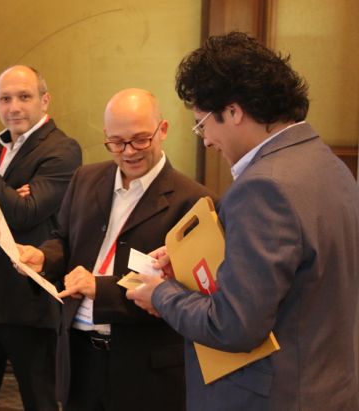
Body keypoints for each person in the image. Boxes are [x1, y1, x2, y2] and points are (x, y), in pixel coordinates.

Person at [126, 31, 359, 410]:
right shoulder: (327, 164)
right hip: (326, 389)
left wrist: (162, 294)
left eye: (202, 123)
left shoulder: (263, 186)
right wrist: (187, 261)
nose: (206, 140)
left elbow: (233, 325)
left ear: (234, 111)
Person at [18, 88, 214, 411]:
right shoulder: (85, 179)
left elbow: (188, 294)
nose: (129, 152)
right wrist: (43, 257)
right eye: (117, 142)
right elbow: (64, 239)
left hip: (145, 369)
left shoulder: (193, 201)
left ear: (162, 130)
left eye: (140, 140)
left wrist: (101, 289)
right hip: (80, 356)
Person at [0, 65, 82, 411]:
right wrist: (5, 202)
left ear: (44, 100)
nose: (14, 107)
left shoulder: (62, 149)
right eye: (5, 99)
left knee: (40, 401)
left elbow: (26, 213)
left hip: (27, 301)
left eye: (24, 97)